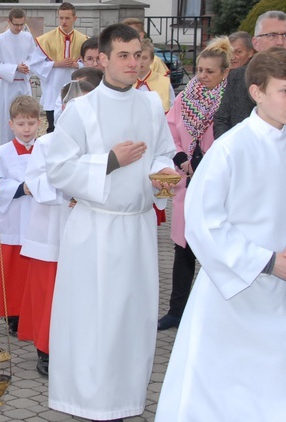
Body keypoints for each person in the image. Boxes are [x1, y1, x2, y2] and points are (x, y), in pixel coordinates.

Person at [155, 48, 286, 421]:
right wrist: (266, 262)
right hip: (233, 288)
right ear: (257, 92)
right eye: (284, 91)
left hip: (284, 285)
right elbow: (206, 222)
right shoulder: (231, 147)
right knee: (222, 389)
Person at [46, 24, 177, 421]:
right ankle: (85, 401)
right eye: (124, 55)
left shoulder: (151, 104)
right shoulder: (81, 109)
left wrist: (164, 175)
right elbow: (58, 169)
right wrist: (109, 161)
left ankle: (125, 400)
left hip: (136, 229)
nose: (133, 63)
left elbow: (163, 154)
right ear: (102, 59)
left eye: (139, 55)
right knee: (93, 320)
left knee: (132, 320)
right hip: (96, 231)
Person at [18, 80, 96, 378]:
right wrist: (69, 191)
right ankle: (46, 351)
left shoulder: (98, 145)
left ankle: (78, 348)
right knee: (48, 292)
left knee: (82, 292)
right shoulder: (47, 143)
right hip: (52, 228)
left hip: (86, 228)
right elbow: (34, 181)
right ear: (63, 108)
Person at [156, 36, 232, 331]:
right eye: (199, 69)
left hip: (216, 182)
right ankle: (177, 309)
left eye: (209, 71)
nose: (202, 76)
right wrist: (179, 157)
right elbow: (170, 130)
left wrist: (203, 163)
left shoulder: (229, 99)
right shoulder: (185, 97)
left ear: (224, 72)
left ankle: (217, 312)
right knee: (183, 248)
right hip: (187, 181)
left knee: (215, 248)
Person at [214, 10, 286, 140]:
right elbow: (221, 120)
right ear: (256, 43)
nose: (280, 42)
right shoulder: (237, 77)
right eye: (272, 35)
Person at [0, 95, 40, 337]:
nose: (26, 129)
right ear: (11, 124)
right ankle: (13, 315)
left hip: (37, 219)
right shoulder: (2, 152)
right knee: (11, 271)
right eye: (21, 124)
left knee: (33, 270)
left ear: (40, 123)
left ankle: (33, 312)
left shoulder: (45, 150)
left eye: (31, 123)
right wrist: (21, 189)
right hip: (12, 219)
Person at [30, 2, 88, 133]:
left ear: (74, 18)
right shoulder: (47, 39)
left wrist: (77, 64)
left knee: (76, 126)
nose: (64, 21)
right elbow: (35, 64)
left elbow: (92, 64)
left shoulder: (83, 40)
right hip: (53, 88)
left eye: (67, 18)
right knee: (53, 128)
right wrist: (56, 63)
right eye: (61, 18)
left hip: (76, 88)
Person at [0, 8, 37, 145]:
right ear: (9, 22)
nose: (19, 27)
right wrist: (15, 68)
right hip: (7, 85)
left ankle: (27, 147)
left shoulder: (27, 37)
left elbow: (33, 57)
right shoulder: (0, 39)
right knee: (7, 119)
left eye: (22, 24)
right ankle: (6, 149)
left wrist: (27, 65)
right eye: (16, 24)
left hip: (23, 83)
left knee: (27, 116)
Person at [135, 38, 174, 112]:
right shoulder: (126, 82)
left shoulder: (164, 82)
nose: (141, 61)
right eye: (138, 57)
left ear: (152, 60)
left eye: (145, 58)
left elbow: (172, 107)